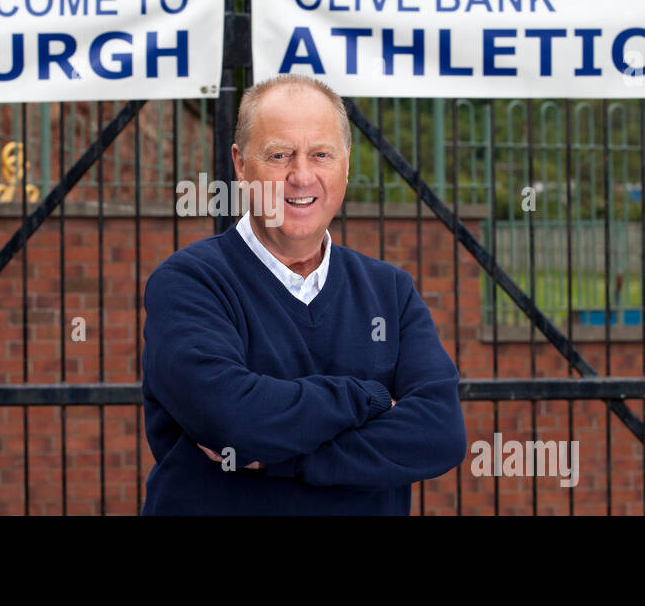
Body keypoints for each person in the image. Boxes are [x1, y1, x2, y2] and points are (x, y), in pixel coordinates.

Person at [139, 74, 467, 515]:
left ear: (346, 165)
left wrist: (287, 457)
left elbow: (439, 435)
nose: (301, 175)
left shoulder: (391, 293)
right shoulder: (188, 284)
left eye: (321, 154)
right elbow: (233, 421)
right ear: (240, 165)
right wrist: (365, 398)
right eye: (279, 155)